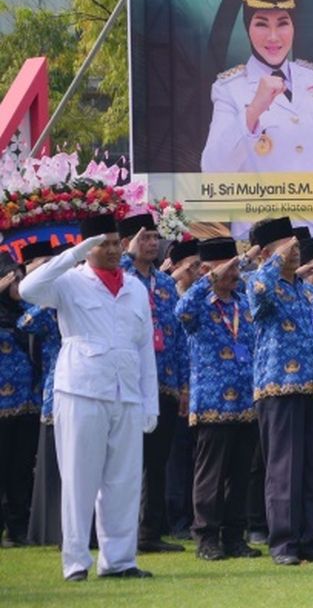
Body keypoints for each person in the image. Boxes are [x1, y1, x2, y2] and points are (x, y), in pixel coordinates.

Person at [20, 214, 158, 581]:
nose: (113, 250)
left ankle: (118, 561)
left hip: (125, 391)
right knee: (80, 479)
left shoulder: (135, 288)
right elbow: (29, 289)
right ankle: (76, 561)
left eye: (116, 243)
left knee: (124, 481)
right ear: (86, 249)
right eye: (104, 244)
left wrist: (150, 402)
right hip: (81, 389)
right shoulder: (68, 282)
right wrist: (70, 256)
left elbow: (144, 349)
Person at [200, 0, 313, 237]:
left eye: (283, 23)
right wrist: (254, 108)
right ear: (247, 27)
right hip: (264, 236)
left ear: (294, 25)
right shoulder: (230, 88)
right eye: (262, 23)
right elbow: (213, 169)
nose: (274, 36)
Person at [245, 217, 313, 565]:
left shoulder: (309, 291)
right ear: (268, 253)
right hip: (279, 387)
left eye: (296, 247)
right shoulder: (260, 282)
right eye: (289, 247)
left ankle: (311, 540)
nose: (296, 252)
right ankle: (283, 544)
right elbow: (257, 297)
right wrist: (273, 261)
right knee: (284, 469)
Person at [175, 237, 260, 561]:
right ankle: (206, 537)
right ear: (209, 270)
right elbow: (180, 311)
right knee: (210, 474)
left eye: (236, 266)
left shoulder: (244, 303)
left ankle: (234, 536)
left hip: (245, 402)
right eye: (228, 267)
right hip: (212, 403)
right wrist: (208, 280)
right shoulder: (199, 303)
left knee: (240, 475)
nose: (235, 272)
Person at [116, 214, 188, 555]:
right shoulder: (119, 277)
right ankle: (120, 531)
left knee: (156, 462)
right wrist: (125, 256)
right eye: (145, 238)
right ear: (129, 242)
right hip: (129, 383)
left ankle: (150, 532)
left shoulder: (164, 283)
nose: (152, 243)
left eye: (155, 238)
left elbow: (178, 336)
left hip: (165, 383)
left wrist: (183, 382)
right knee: (125, 460)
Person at [20, 242, 66, 546]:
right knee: (52, 463)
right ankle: (50, 529)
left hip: (90, 387)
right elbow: (26, 322)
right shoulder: (45, 307)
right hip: (54, 389)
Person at [0, 253, 37, 548]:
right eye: (13, 279)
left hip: (27, 402)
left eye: (20, 277)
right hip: (1, 405)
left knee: (21, 470)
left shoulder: (25, 312)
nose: (17, 284)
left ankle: (18, 528)